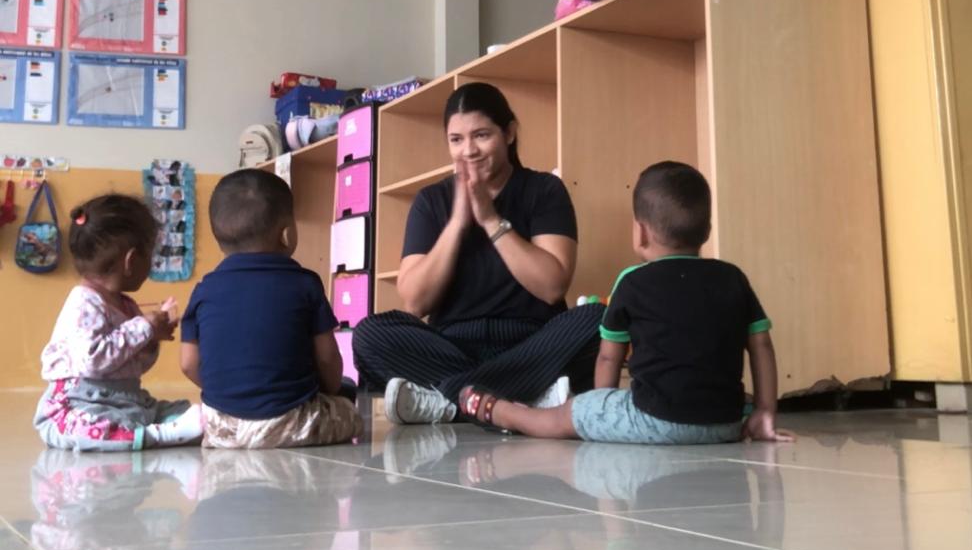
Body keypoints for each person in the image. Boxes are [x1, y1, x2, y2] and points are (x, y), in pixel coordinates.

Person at [458, 160, 794, 445]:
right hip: (725, 424)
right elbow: (761, 346)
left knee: (567, 415)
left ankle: (505, 413)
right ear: (706, 230)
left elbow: (608, 356)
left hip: (654, 420)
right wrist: (764, 412)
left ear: (641, 232)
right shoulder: (733, 278)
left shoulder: (631, 282)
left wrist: (599, 405)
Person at [352, 82, 603, 424]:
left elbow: (552, 287)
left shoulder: (544, 189)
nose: (468, 151)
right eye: (456, 140)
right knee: (369, 334)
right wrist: (457, 223)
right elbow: (415, 302)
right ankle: (525, 396)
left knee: (596, 320)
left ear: (509, 133)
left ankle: (448, 400)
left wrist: (490, 220)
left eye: (481, 135)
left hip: (531, 343)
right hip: (451, 346)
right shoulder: (431, 200)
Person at [180, 168, 363, 448]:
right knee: (348, 405)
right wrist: (331, 392)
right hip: (291, 423)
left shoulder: (203, 290)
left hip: (223, 429)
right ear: (287, 234)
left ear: (219, 240)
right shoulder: (305, 283)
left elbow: (188, 363)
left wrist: (232, 395)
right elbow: (327, 360)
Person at [34, 194, 203, 451]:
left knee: (185, 412)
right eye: (151, 256)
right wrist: (144, 327)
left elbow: (131, 365)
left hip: (125, 399)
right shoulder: (83, 302)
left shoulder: (126, 305)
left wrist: (152, 339)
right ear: (131, 261)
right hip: (81, 401)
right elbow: (93, 360)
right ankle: (156, 435)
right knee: (88, 429)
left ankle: (155, 427)